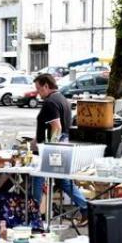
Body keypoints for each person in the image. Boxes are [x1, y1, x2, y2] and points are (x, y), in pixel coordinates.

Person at [30, 73, 88, 224]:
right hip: (64, 145)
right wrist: (37, 139)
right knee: (64, 182)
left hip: (53, 148)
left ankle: (34, 214)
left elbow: (56, 127)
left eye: (39, 89)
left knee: (38, 177)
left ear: (46, 86)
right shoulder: (62, 99)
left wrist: (46, 146)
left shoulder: (50, 102)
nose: (38, 93)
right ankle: (86, 208)